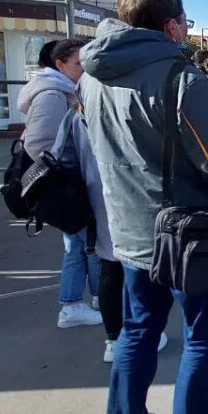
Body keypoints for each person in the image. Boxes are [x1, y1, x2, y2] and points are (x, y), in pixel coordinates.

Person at [80, 0, 208, 414]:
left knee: (136, 331)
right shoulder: (181, 79)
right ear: (172, 25)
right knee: (204, 335)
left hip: (130, 233)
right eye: (187, 24)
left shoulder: (91, 77)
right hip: (188, 237)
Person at [60, 101, 170, 363]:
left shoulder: (78, 111)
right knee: (142, 268)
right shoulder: (132, 101)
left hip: (97, 194)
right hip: (137, 195)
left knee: (110, 267)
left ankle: (115, 339)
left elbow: (64, 157)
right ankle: (142, 334)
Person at [17, 38, 102, 330]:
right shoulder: (53, 94)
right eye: (78, 64)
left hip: (68, 184)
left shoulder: (62, 90)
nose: (83, 69)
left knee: (77, 245)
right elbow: (40, 142)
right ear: (60, 64)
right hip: (67, 185)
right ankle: (87, 302)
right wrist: (69, 171)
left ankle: (75, 302)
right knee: (87, 244)